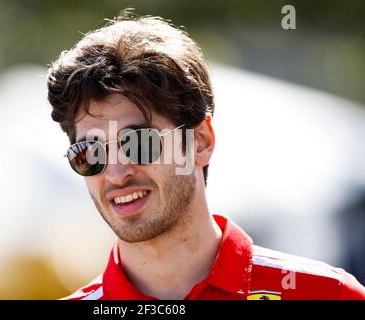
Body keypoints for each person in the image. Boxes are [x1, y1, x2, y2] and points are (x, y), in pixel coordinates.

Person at [46, 12, 365, 300]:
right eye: (90, 152)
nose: (116, 173)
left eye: (137, 143)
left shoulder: (328, 294)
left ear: (200, 140)